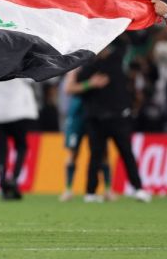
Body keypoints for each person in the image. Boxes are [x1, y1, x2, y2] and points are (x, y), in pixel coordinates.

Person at [77, 39, 151, 203]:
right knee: (95, 156)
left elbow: (126, 43)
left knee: (127, 154)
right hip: (96, 119)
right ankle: (90, 192)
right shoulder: (89, 66)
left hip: (118, 117)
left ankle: (138, 189)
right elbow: (78, 86)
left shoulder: (117, 59)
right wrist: (91, 83)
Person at [0, 76, 38, 200]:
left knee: (0, 152)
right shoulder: (18, 64)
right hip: (16, 112)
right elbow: (31, 78)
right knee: (21, 147)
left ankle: (2, 180)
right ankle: (14, 179)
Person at [60, 68, 115, 202]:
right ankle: (68, 189)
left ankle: (108, 190)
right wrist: (89, 84)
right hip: (77, 115)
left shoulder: (100, 67)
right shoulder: (77, 68)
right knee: (73, 153)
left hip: (96, 113)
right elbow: (68, 88)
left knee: (103, 152)